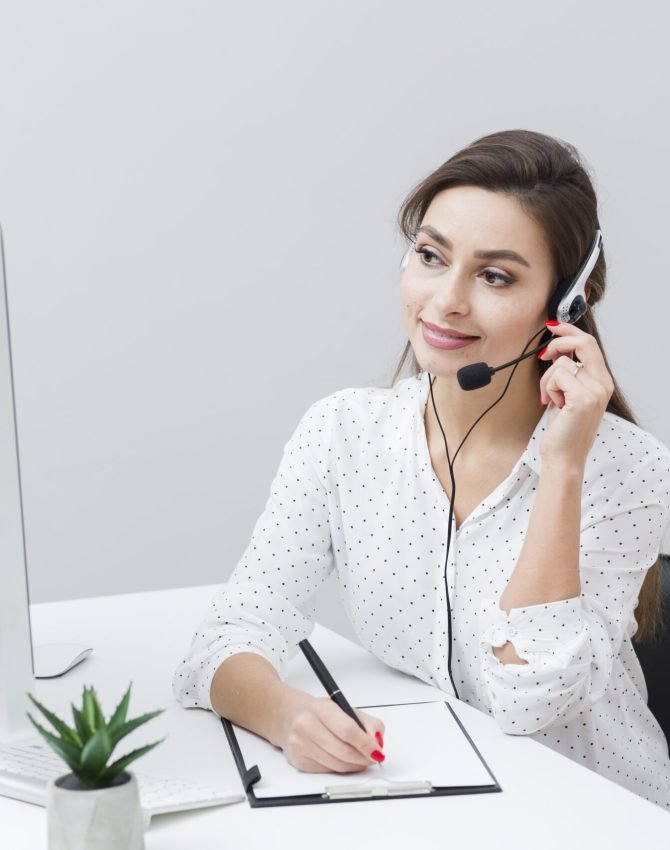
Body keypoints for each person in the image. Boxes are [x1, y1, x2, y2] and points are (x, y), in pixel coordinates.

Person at [173, 129, 670, 808]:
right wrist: (286, 717)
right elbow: (225, 639)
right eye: (432, 256)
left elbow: (533, 699)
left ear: (565, 306)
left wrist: (561, 468)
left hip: (599, 813)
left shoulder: (629, 469)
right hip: (437, 807)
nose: (445, 300)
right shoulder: (343, 434)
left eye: (495, 275)